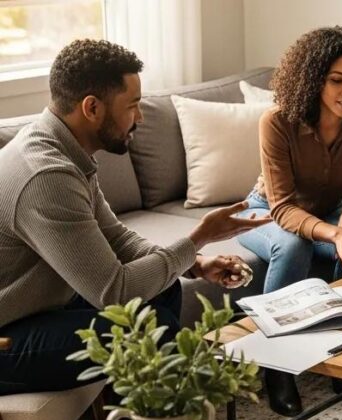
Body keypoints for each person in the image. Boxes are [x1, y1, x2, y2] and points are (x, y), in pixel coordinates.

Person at [0, 39, 269, 396]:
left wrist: (195, 262)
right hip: (8, 337)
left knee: (164, 287)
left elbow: (117, 237)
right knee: (145, 326)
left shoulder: (64, 149)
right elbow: (116, 291)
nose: (140, 117)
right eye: (133, 106)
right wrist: (197, 238)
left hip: (40, 309)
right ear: (92, 108)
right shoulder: (47, 176)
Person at [236, 26, 342, 416]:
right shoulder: (276, 121)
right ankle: (275, 364)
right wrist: (338, 232)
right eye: (337, 80)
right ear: (313, 78)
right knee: (292, 243)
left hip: (328, 211)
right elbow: (283, 208)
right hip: (262, 211)